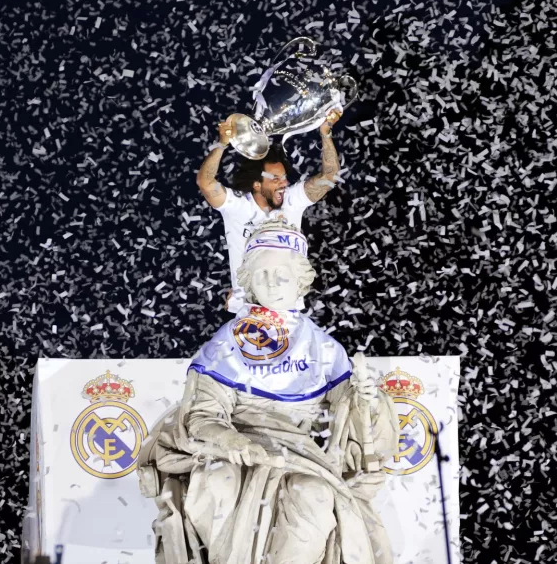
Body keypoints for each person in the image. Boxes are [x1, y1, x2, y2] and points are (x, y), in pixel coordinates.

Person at [136, 220, 398, 564]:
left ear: (301, 281)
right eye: (261, 275)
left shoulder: (325, 350)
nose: (272, 282)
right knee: (217, 483)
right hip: (236, 452)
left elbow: (352, 426)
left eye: (282, 275)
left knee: (313, 494)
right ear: (249, 283)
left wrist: (368, 399)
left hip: (303, 457)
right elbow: (201, 415)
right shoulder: (227, 344)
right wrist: (231, 441)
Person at [196, 109, 342, 313]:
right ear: (257, 185)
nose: (283, 184)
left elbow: (330, 175)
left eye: (283, 178)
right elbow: (205, 182)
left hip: (289, 309)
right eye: (275, 179)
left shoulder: (292, 200)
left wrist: (325, 133)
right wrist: (222, 144)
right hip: (248, 310)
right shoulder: (237, 205)